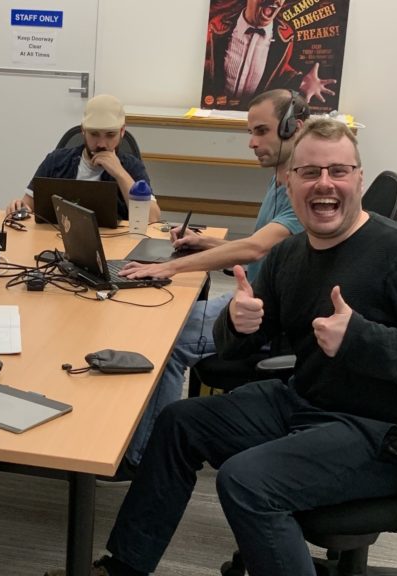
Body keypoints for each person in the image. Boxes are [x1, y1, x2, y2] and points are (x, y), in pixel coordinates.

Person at [55, 119, 397, 576]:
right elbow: (237, 350)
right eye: (310, 172)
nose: (324, 184)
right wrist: (238, 324)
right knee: (179, 423)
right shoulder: (291, 255)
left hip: (385, 433)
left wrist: (361, 337)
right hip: (305, 404)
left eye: (338, 171)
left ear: (359, 179)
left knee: (248, 482)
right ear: (289, 182)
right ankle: (125, 569)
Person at [111, 89, 307, 477]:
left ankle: (148, 455)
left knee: (165, 343)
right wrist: (208, 243)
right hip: (251, 298)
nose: (252, 142)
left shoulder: (302, 191)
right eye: (251, 132)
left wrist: (170, 269)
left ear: (294, 129)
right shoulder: (279, 177)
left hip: (269, 318)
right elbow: (264, 250)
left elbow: (254, 251)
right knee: (156, 321)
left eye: (262, 131)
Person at [6, 94, 160, 223]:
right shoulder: (56, 160)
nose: (101, 143)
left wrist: (120, 173)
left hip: (113, 246)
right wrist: (19, 208)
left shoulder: (131, 166)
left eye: (110, 135)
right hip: (57, 242)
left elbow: (152, 218)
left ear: (122, 131)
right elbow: (28, 207)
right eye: (94, 134)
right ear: (83, 131)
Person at [202, 0, 337, 110]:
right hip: (217, 111)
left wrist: (302, 82)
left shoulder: (285, 37)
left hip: (258, 114)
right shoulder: (217, 27)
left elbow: (280, 71)